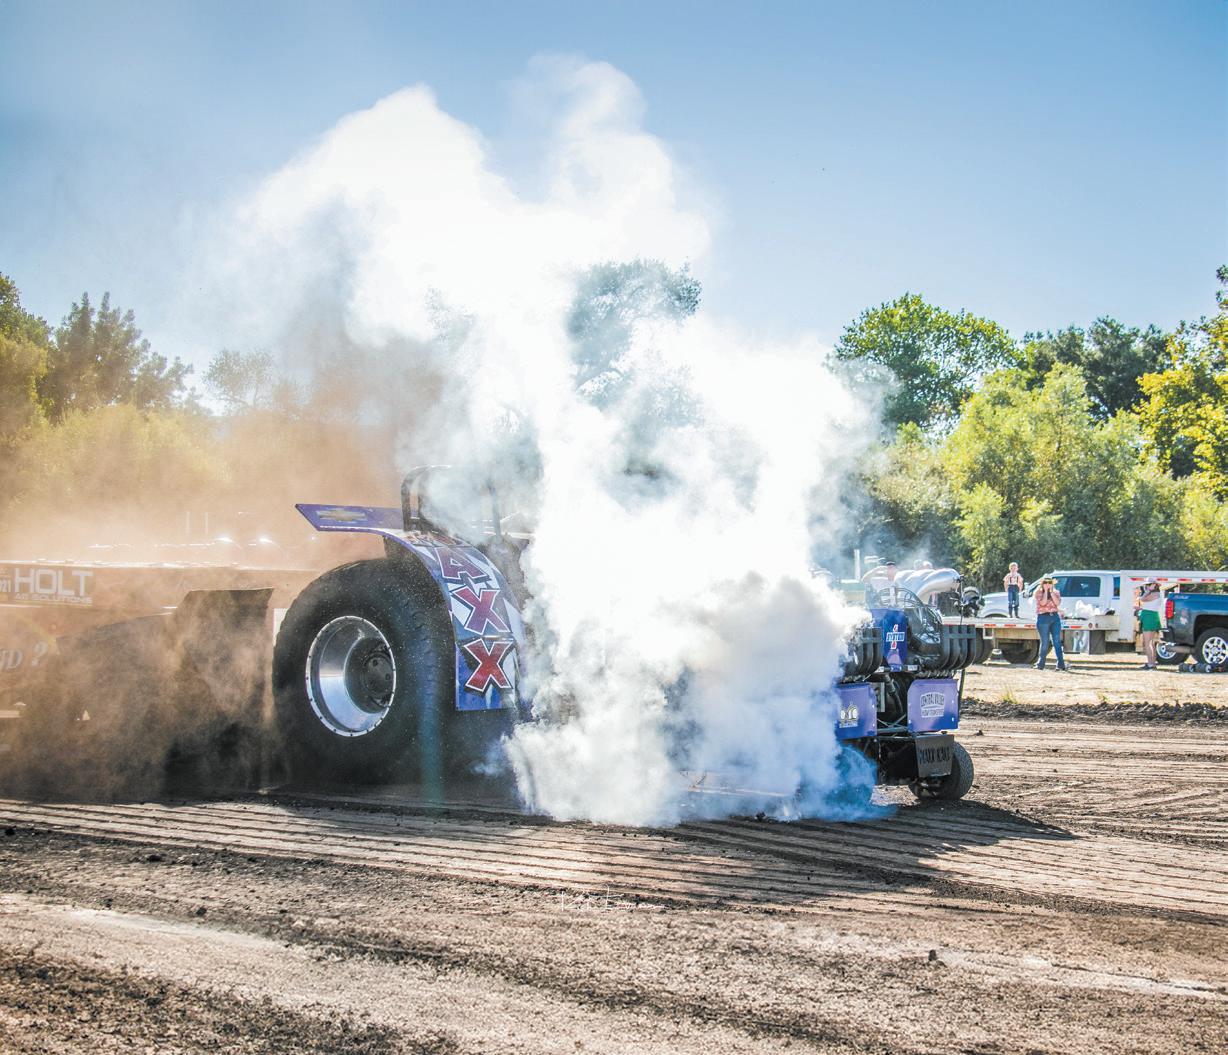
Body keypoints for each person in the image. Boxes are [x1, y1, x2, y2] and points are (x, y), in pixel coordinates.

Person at [1034, 575, 1066, 671]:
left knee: (1057, 641)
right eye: (1045, 582)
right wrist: (1045, 591)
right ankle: (1040, 664)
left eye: (1049, 582)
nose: (1047, 584)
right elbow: (1043, 603)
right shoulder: (1038, 592)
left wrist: (1051, 592)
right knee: (1045, 642)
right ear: (1042, 584)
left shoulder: (1056, 592)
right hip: (1043, 617)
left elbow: (1057, 603)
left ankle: (1061, 664)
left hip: (1054, 617)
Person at [1135, 581, 1163, 670]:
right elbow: (1148, 605)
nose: (1146, 586)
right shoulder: (1155, 594)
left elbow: (1142, 599)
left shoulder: (1155, 594)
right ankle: (1151, 663)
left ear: (1153, 585)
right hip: (1150, 616)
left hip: (1150, 617)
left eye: (1148, 585)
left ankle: (1151, 664)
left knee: (1148, 642)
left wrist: (1148, 591)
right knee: (1150, 642)